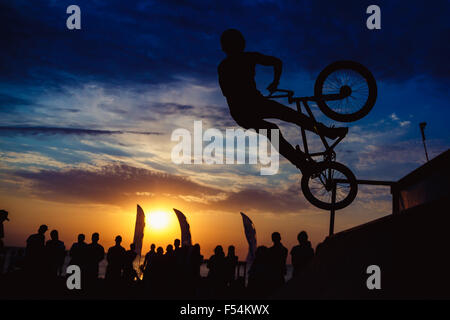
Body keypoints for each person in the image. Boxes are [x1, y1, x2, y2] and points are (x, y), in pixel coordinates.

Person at [217, 29, 347, 173]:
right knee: (292, 119)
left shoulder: (226, 66)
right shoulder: (247, 58)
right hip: (250, 107)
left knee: (275, 129)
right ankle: (324, 134)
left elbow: (227, 93)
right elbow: (276, 63)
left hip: (242, 111)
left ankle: (304, 164)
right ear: (240, 44)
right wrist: (274, 83)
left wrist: (266, 87)